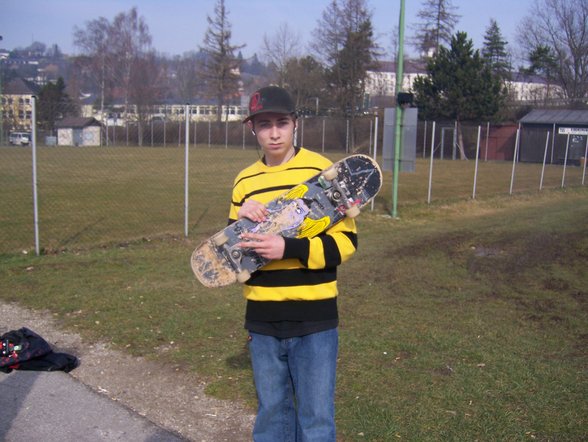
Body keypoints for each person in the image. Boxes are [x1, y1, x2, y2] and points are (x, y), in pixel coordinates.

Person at [228, 85, 358, 442]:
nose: (273, 133)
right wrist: (241, 220)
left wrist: (288, 248)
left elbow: (346, 244)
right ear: (252, 128)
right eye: (264, 124)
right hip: (262, 319)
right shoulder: (245, 182)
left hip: (314, 318)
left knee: (316, 420)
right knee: (272, 418)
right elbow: (232, 257)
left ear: (295, 124)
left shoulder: (321, 171)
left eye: (281, 123)